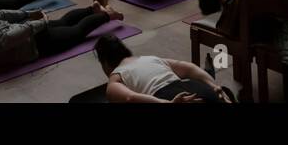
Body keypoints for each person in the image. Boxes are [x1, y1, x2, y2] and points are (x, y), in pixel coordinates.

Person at [0, 1, 123, 67]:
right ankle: (92, 9)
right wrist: (32, 16)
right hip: (33, 33)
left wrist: (40, 19)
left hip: (42, 42)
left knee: (77, 32)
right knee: (64, 22)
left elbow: (26, 28)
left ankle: (108, 15)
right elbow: (1, 14)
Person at [94, 34, 229, 103]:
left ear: (105, 62)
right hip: (197, 88)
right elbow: (188, 68)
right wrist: (213, 85)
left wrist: (165, 103)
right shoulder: (150, 58)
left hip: (170, 97)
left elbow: (130, 98)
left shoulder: (116, 76)